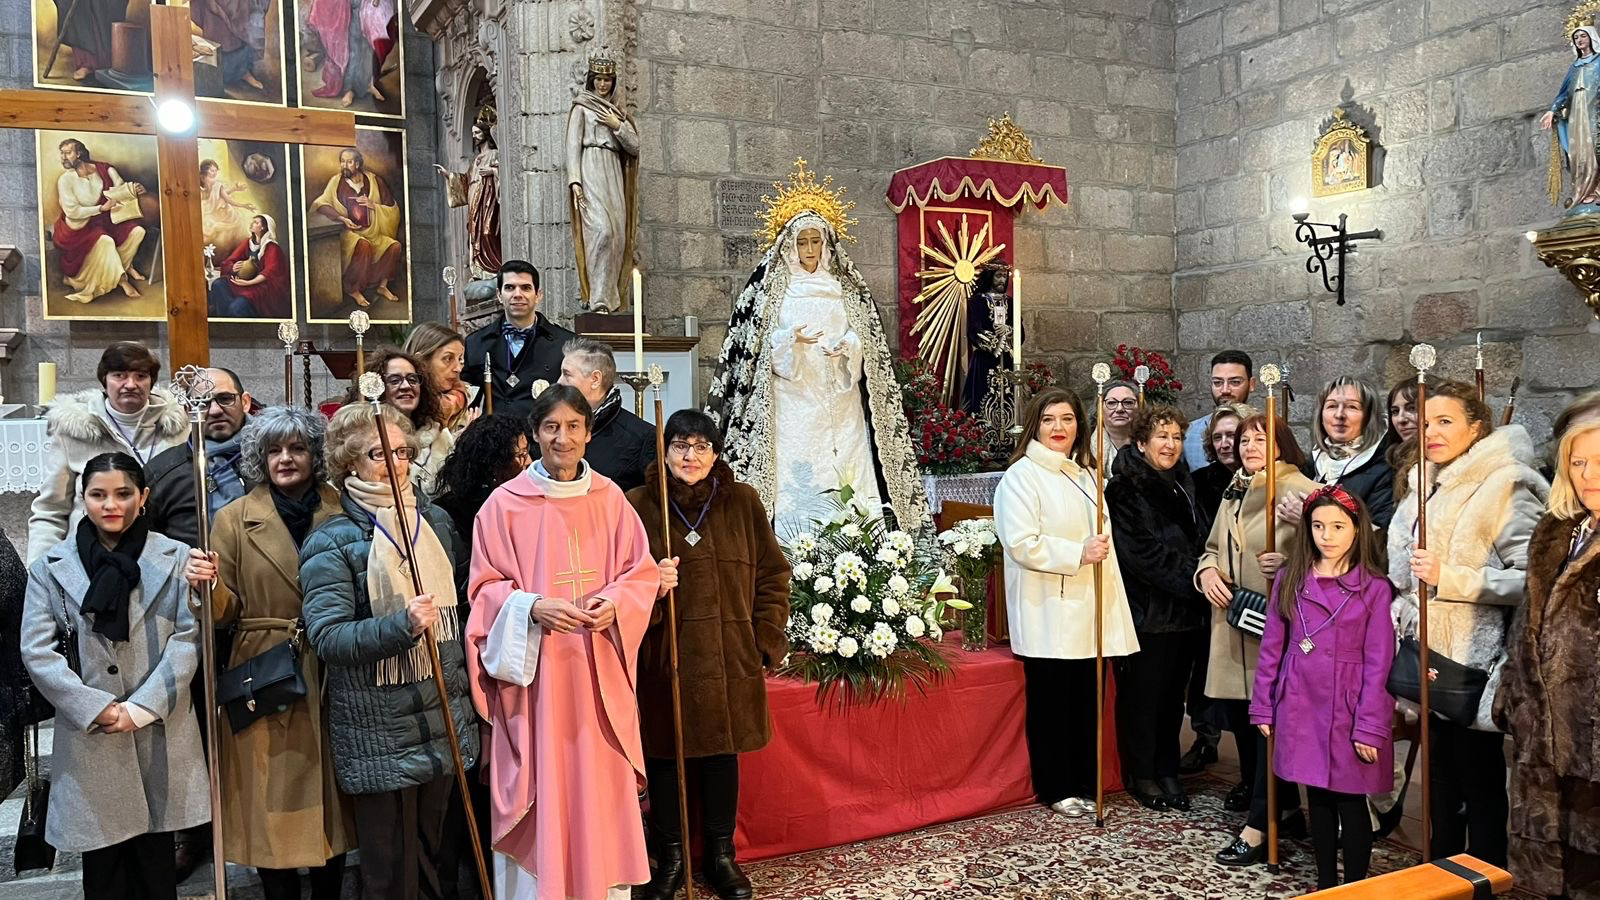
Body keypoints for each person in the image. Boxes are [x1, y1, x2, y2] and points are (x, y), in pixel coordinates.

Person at [465, 384, 660, 899]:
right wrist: (530, 608)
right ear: (534, 434)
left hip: (597, 676)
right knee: (545, 788)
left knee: (597, 789)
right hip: (538, 682)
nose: (563, 437)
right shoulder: (503, 506)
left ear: (589, 433)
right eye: (551, 427)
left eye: (574, 426)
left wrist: (615, 603)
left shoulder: (611, 500)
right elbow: (483, 592)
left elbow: (639, 573)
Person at [300, 403, 478, 900]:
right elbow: (328, 636)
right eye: (379, 453)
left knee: (437, 858)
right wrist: (400, 626)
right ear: (349, 462)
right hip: (379, 726)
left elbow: (466, 603)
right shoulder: (334, 540)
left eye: (402, 452)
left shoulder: (436, 523)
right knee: (391, 871)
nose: (394, 464)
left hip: (443, 717)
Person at [182, 407, 353, 900]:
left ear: (315, 455)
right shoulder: (233, 518)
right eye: (274, 450)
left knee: (331, 804)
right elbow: (222, 612)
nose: (285, 459)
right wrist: (206, 587)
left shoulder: (340, 508)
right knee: (269, 800)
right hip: (264, 666)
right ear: (259, 457)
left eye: (297, 448)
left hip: (329, 662)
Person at [20, 452, 209, 899]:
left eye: (124, 494)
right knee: (103, 867)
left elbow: (188, 636)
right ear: (83, 499)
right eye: (98, 495)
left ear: (142, 497)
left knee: (155, 861)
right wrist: (95, 707)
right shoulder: (51, 567)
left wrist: (142, 708)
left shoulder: (176, 557)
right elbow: (37, 649)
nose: (112, 505)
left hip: (158, 728)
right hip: (91, 733)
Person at [625, 410, 791, 900]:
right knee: (664, 756)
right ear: (665, 450)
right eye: (679, 445)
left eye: (700, 447)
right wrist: (650, 590)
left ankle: (721, 856)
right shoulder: (638, 504)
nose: (689, 456)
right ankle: (671, 857)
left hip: (729, 658)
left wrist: (764, 637)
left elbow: (772, 575)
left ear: (716, 453)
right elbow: (619, 580)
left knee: (722, 755)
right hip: (663, 658)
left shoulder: (742, 501)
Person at [1388, 380, 1547, 868]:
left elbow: (1532, 579)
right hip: (1433, 656)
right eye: (1428, 421)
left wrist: (1450, 577)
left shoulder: (1508, 483)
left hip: (1477, 665)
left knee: (1477, 787)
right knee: (1439, 784)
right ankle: (1440, 875)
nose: (1431, 432)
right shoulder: (1429, 481)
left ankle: (1483, 877)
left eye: (1446, 421)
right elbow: (1405, 563)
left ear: (1476, 427)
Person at [708, 209, 927, 536]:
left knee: (846, 471)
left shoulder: (846, 289)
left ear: (826, 244)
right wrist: (787, 340)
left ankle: (859, 544)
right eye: (802, 242)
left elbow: (864, 337)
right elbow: (755, 345)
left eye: (816, 241)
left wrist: (848, 347)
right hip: (793, 401)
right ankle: (794, 547)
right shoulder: (774, 291)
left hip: (840, 401)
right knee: (798, 475)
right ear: (789, 246)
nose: (810, 249)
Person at [994, 387, 1139, 817]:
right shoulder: (1021, 477)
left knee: (1085, 701)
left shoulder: (1084, 475)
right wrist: (1076, 552)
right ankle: (1056, 786)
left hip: (1089, 607)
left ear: (1080, 425)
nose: (1059, 428)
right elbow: (1021, 543)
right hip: (1050, 611)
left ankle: (1084, 779)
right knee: (1053, 705)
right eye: (1049, 420)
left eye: (1067, 419)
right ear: (1035, 425)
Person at [1250, 486, 1395, 889]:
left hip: (1349, 707)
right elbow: (1272, 647)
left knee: (1350, 799)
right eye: (1317, 526)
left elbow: (1379, 663)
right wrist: (1264, 704)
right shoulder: (1291, 579)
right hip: (1301, 702)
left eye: (1337, 526)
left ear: (1356, 530)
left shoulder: (1374, 589)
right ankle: (1328, 885)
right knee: (1318, 798)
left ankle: (1356, 887)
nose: (1326, 536)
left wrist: (1370, 725)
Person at [1195, 413, 1319, 865]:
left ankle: (1257, 826)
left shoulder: (1297, 487)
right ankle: (1281, 808)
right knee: (1245, 724)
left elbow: (1341, 545)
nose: (1248, 446)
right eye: (1244, 439)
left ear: (1281, 443)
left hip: (1275, 625)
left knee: (1269, 725)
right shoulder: (1236, 488)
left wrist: (1287, 563)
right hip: (1235, 622)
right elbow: (1211, 547)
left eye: (1259, 438)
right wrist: (1206, 571)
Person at [1496, 415, 1600, 898]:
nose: (1587, 474)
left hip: (1591, 738)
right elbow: (1527, 626)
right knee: (1548, 870)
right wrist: (1513, 694)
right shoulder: (1557, 531)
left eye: (1599, 462)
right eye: (1577, 462)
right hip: (1543, 732)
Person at [1106, 404, 1211, 812]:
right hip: (1148, 611)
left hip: (1186, 613)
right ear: (1142, 442)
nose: (1170, 445)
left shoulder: (1183, 481)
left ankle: (1168, 768)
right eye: (1162, 437)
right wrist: (1196, 579)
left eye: (1176, 437)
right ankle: (1143, 773)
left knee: (1172, 699)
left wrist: (1207, 570)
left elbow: (1201, 537)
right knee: (1143, 697)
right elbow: (1141, 553)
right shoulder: (1125, 488)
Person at [30, 342, 189, 563]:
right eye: (119, 375)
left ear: (152, 381)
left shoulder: (180, 428)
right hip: (89, 557)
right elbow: (50, 511)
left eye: (141, 376)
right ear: (104, 380)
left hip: (163, 557)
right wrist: (40, 571)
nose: (130, 384)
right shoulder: (72, 431)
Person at [145, 366, 253, 549]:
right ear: (188, 410)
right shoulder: (161, 472)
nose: (215, 410)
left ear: (245, 402)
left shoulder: (273, 459)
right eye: (202, 403)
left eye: (225, 399)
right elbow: (148, 543)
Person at [566, 55, 639, 314]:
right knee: (602, 231)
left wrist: (617, 126)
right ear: (591, 80)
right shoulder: (582, 107)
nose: (603, 84)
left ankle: (610, 300)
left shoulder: (617, 113)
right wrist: (575, 181)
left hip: (613, 172)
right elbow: (572, 146)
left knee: (617, 235)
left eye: (608, 79)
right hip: (590, 170)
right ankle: (597, 298)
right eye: (599, 79)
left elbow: (634, 146)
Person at [463, 260, 576, 421]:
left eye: (526, 288)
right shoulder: (475, 343)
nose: (517, 294)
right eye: (509, 288)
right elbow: (468, 396)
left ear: (538, 295)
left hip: (541, 439)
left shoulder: (566, 344)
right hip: (493, 439)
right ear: (499, 295)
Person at [346, 348, 454, 497]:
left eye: (412, 379)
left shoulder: (439, 436)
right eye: (395, 380)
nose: (406, 386)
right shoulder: (359, 437)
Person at [52, 137, 149, 304]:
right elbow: (72, 211)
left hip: (107, 219)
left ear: (80, 153)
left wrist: (135, 189)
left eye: (67, 153)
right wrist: (100, 209)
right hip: (79, 227)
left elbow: (120, 189)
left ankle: (125, 267)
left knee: (138, 231)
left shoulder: (105, 169)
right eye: (62, 154)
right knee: (105, 241)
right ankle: (122, 281)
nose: (63, 158)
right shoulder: (65, 180)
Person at [1291, 377, 1395, 529]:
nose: (1339, 415)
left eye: (1352, 407)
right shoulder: (1313, 463)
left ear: (1368, 417)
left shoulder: (1383, 468)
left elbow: (1379, 535)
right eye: (1332, 406)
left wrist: (1308, 519)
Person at [558, 337, 655, 492]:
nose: (559, 382)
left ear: (595, 379)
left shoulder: (643, 437)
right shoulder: (550, 428)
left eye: (567, 374)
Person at [312, 147, 403, 307]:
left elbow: (392, 209)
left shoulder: (375, 181)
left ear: (358, 164)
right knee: (363, 245)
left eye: (349, 162)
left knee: (395, 246)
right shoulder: (336, 182)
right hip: (349, 232)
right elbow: (322, 203)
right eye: (342, 162)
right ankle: (354, 289)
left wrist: (374, 206)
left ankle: (382, 286)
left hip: (374, 230)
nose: (344, 165)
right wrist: (342, 218)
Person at [431, 415, 534, 549]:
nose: (529, 461)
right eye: (521, 455)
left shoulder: (531, 500)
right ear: (494, 464)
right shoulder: (448, 514)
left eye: (527, 451)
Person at [435, 107, 503, 280]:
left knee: (487, 231)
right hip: (474, 196)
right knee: (475, 233)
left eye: (477, 132)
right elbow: (466, 180)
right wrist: (449, 175)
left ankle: (494, 267)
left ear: (486, 134)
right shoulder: (476, 160)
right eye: (472, 133)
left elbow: (504, 174)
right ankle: (480, 271)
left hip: (489, 197)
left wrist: (493, 172)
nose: (474, 136)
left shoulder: (494, 155)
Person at [1543, 26, 1600, 208]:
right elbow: (1563, 95)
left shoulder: (1599, 61)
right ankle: (1583, 192)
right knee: (1579, 153)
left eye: (1583, 36)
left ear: (1591, 38)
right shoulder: (1574, 67)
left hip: (1594, 114)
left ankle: (1597, 190)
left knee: (1595, 149)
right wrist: (1552, 110)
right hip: (1577, 115)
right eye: (1576, 37)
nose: (1580, 40)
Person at [1183, 350, 1256, 470]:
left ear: (1252, 384)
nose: (1225, 390)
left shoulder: (1267, 430)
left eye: (1235, 382)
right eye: (1218, 382)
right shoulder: (1190, 434)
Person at [208, 214, 291, 319]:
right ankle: (226, 318)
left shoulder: (272, 247)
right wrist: (232, 267)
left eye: (256, 222)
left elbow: (269, 273)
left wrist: (248, 282)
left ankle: (234, 314)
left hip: (261, 286)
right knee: (218, 284)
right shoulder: (248, 243)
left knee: (236, 307)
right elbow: (230, 260)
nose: (252, 224)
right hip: (243, 282)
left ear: (263, 227)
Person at [405, 322, 478, 434]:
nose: (458, 368)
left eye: (460, 359)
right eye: (448, 359)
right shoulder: (401, 403)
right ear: (420, 361)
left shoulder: (467, 399)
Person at [1194, 403, 1254, 518]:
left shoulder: (1267, 477)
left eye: (1231, 435)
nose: (1224, 444)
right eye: (1217, 437)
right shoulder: (1198, 482)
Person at [1097, 381, 1137, 471]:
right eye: (1111, 403)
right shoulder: (1085, 449)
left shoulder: (1150, 445)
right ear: (1099, 409)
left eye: (1128, 403)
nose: (1119, 409)